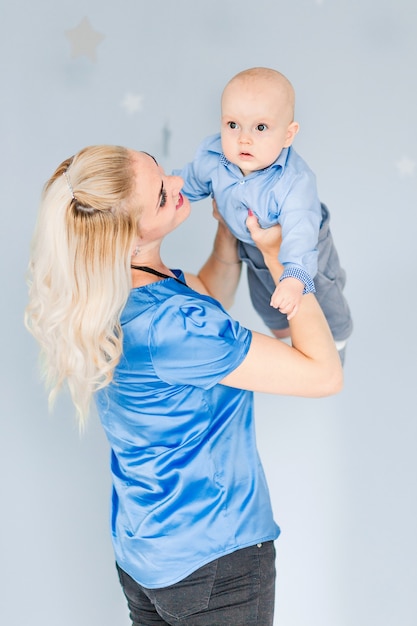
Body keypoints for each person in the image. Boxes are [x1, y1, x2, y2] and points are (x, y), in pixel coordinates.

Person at [25, 145, 343, 626]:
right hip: (215, 559)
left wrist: (226, 229)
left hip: (147, 553)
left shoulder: (108, 295)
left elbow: (206, 294)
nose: (179, 183)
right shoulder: (176, 328)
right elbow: (324, 373)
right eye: (160, 196)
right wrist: (283, 261)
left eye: (162, 169)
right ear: (128, 238)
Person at [174, 67, 353, 362]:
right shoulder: (213, 156)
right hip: (253, 249)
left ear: (288, 135)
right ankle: (287, 333)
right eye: (233, 125)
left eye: (260, 128)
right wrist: (162, 196)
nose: (243, 139)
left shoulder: (294, 181)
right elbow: (188, 184)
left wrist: (294, 278)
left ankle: (338, 337)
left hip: (305, 252)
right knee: (270, 309)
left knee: (321, 301)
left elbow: (300, 232)